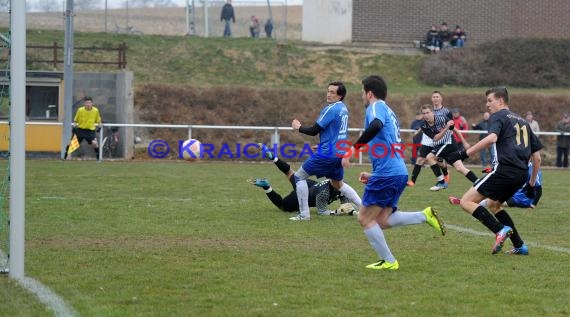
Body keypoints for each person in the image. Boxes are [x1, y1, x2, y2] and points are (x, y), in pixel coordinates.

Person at [341, 75, 445, 271]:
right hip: (395, 172)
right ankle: (424, 216)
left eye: (363, 92)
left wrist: (352, 150)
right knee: (381, 220)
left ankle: (389, 261)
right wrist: (374, 175)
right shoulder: (388, 110)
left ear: (369, 93)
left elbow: (376, 126)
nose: (362, 96)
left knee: (365, 218)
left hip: (390, 173)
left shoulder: (376, 107)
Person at [447, 86, 542, 255]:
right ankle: (520, 245)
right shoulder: (523, 122)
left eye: (490, 100)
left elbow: (491, 138)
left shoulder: (498, 116)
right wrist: (532, 183)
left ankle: (499, 230)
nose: (487, 104)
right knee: (494, 204)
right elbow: (537, 158)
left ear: (500, 101)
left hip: (504, 170)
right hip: (521, 175)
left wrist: (463, 154)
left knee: (466, 201)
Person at [290, 81, 362, 221]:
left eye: (332, 92)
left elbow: (313, 130)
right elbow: (336, 132)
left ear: (340, 96)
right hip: (338, 152)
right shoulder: (343, 108)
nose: (328, 94)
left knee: (299, 177)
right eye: (328, 91)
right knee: (337, 183)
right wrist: (324, 144)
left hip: (328, 153)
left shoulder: (332, 108)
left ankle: (304, 215)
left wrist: (298, 127)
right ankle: (365, 208)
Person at [247, 147, 356, 216]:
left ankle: (273, 157)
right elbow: (321, 212)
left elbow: (346, 204)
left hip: (311, 185)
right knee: (282, 206)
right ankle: (266, 186)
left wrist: (351, 211)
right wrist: (335, 212)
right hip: (305, 194)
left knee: (290, 172)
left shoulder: (341, 186)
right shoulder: (324, 193)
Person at [420, 104, 479, 191]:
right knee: (460, 168)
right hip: (440, 145)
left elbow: (455, 129)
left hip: (449, 143)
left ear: (432, 112)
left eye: (428, 112)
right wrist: (446, 128)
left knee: (430, 157)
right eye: (424, 113)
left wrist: (464, 142)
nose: (426, 115)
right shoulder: (424, 125)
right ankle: (479, 182)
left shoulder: (442, 118)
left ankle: (441, 182)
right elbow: (436, 138)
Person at [449, 162, 543, 209]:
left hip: (522, 200)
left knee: (491, 202)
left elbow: (539, 189)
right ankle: (466, 201)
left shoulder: (531, 171)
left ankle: (463, 202)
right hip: (514, 193)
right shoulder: (521, 166)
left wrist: (533, 205)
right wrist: (492, 170)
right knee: (491, 193)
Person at [407, 91, 450, 187]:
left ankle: (446, 174)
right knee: (419, 160)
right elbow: (422, 126)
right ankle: (412, 181)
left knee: (439, 162)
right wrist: (417, 132)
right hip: (426, 143)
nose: (426, 114)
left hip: (436, 142)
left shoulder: (438, 117)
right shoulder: (425, 118)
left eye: (437, 97)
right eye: (434, 97)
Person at [69, 97, 102, 162]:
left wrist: (99, 127)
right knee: (72, 144)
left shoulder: (95, 110)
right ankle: (65, 157)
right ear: (84, 104)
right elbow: (75, 121)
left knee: (95, 143)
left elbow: (99, 121)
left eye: (89, 102)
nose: (88, 104)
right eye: (87, 103)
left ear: (92, 103)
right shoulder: (80, 110)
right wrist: (74, 127)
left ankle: (98, 159)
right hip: (81, 130)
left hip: (90, 131)